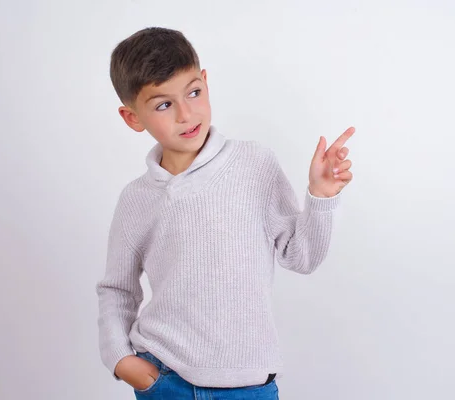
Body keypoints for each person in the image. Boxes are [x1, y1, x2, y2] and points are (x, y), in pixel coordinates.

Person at [96, 26, 355, 399]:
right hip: (164, 379)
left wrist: (321, 196)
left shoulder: (254, 164)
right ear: (133, 117)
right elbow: (117, 289)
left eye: (194, 92)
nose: (187, 114)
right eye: (164, 104)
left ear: (205, 82)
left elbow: (301, 258)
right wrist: (121, 360)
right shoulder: (137, 198)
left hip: (248, 385)